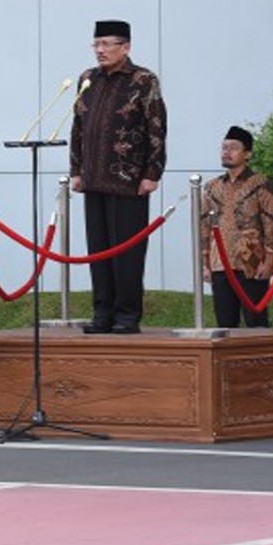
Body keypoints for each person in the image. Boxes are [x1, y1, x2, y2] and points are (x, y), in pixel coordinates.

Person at [70, 19, 167, 335]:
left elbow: (157, 127)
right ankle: (103, 313)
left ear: (125, 47)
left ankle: (127, 315)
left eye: (106, 44)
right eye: (96, 45)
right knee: (98, 250)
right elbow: (78, 129)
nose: (100, 51)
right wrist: (75, 170)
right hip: (93, 178)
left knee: (127, 251)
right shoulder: (88, 79)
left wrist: (152, 173)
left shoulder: (142, 80)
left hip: (129, 181)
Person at [200, 126, 273, 328]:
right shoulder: (212, 187)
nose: (226, 152)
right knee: (225, 324)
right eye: (224, 147)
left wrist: (269, 261)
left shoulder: (261, 184)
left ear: (247, 154)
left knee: (256, 321)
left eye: (233, 148)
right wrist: (204, 262)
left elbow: (271, 224)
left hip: (251, 260)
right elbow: (204, 226)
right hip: (220, 260)